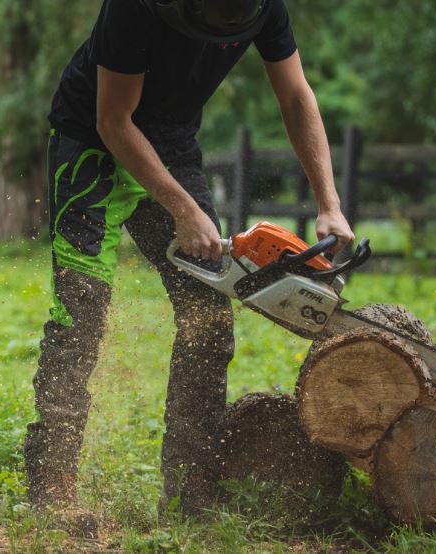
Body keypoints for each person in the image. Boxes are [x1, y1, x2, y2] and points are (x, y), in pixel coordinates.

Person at [24, 0, 355, 516]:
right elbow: (113, 121)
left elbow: (294, 94)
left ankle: (190, 491)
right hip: (91, 141)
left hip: (170, 142)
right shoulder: (134, 7)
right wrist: (183, 210)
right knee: (80, 312)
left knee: (208, 319)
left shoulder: (266, 7)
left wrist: (329, 205)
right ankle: (52, 487)